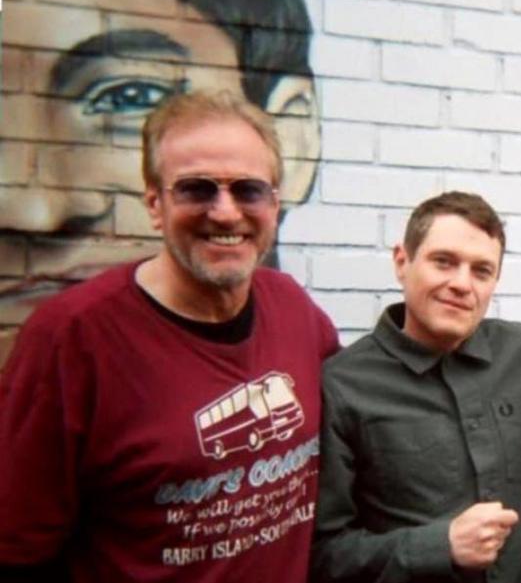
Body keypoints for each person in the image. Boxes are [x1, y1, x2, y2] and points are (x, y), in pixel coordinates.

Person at [0, 90, 339, 581]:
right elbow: (17, 550)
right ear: (155, 204)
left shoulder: (294, 309)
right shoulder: (71, 340)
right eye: (196, 189)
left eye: (248, 190)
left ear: (274, 203)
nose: (225, 213)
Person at [0, 0, 320, 364]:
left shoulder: (295, 317)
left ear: (292, 144)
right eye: (195, 188)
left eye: (129, 96)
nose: (31, 212)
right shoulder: (63, 335)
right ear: (155, 202)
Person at [312, 192, 521, 583]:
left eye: (481, 271)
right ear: (402, 261)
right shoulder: (343, 385)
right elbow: (324, 555)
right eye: (444, 262)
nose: (461, 284)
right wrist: (440, 546)